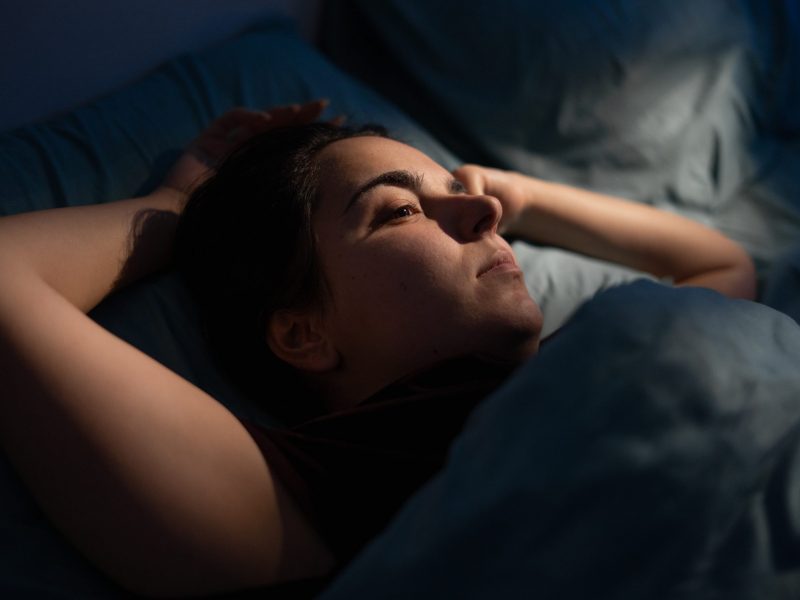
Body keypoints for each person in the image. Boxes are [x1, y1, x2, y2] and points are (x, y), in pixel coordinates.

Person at [0, 99, 756, 597]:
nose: (484, 212)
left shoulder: (583, 358)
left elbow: (723, 267)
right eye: (399, 211)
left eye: (469, 201)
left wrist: (515, 192)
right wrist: (173, 212)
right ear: (303, 332)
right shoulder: (302, 501)